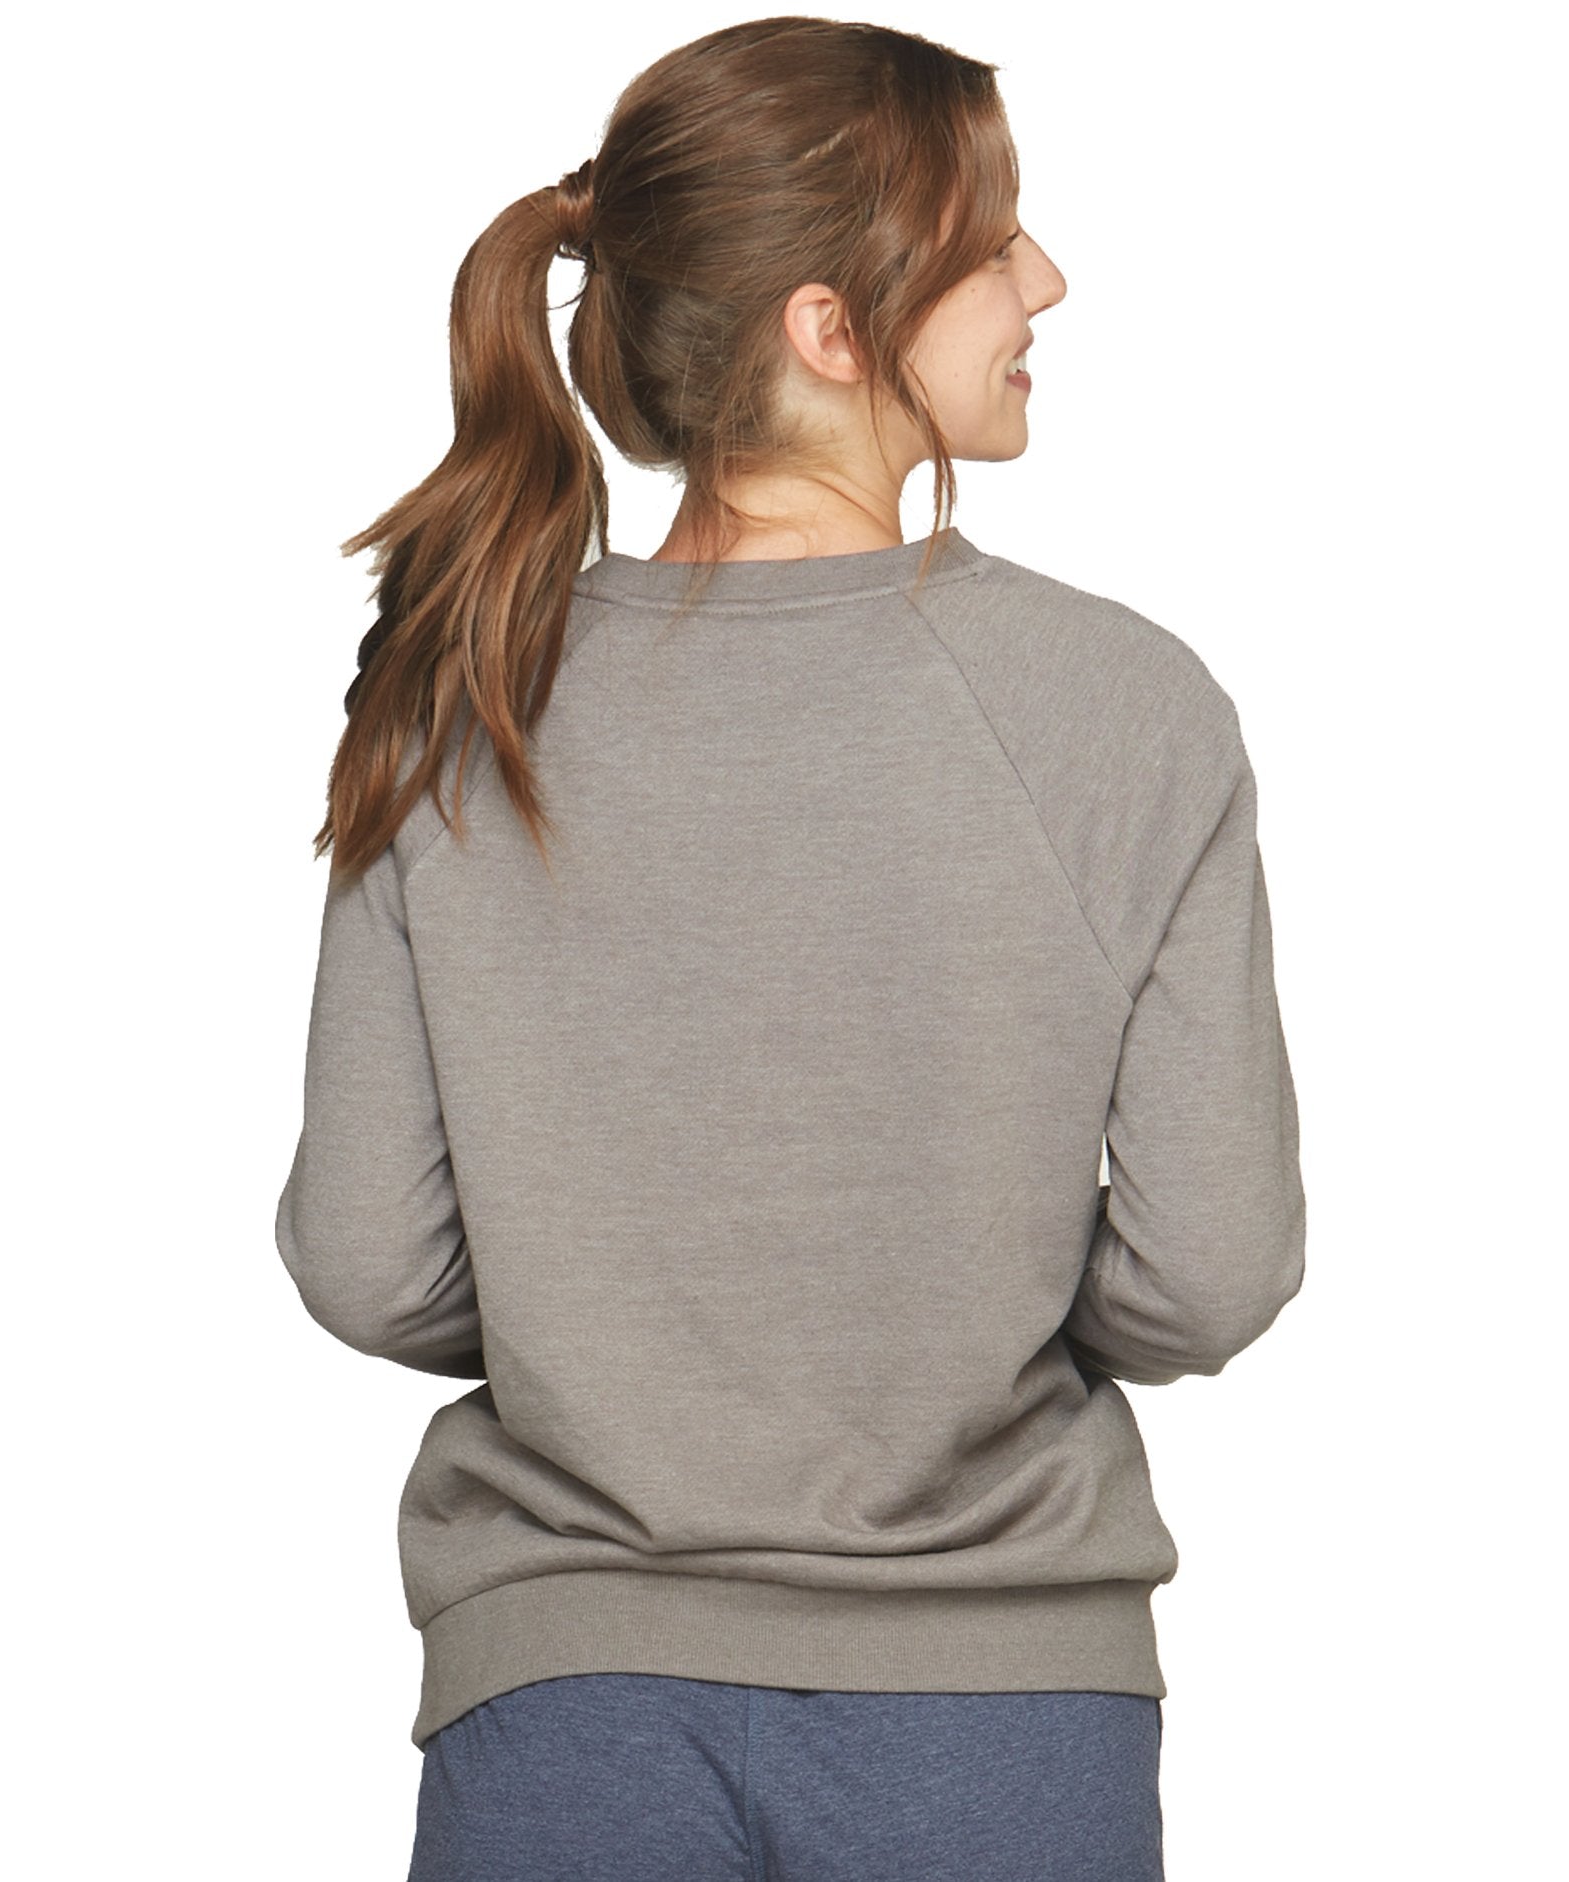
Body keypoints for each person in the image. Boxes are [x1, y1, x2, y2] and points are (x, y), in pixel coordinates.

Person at [274, 16, 1306, 1881]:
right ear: (831, 330)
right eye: (991, 241)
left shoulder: (458, 704)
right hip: (999, 1713)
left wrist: (608, 1324)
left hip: (563, 1701)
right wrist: (958, 1305)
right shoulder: (1125, 710)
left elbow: (366, 1260)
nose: (1046, 279)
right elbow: (1210, 1275)